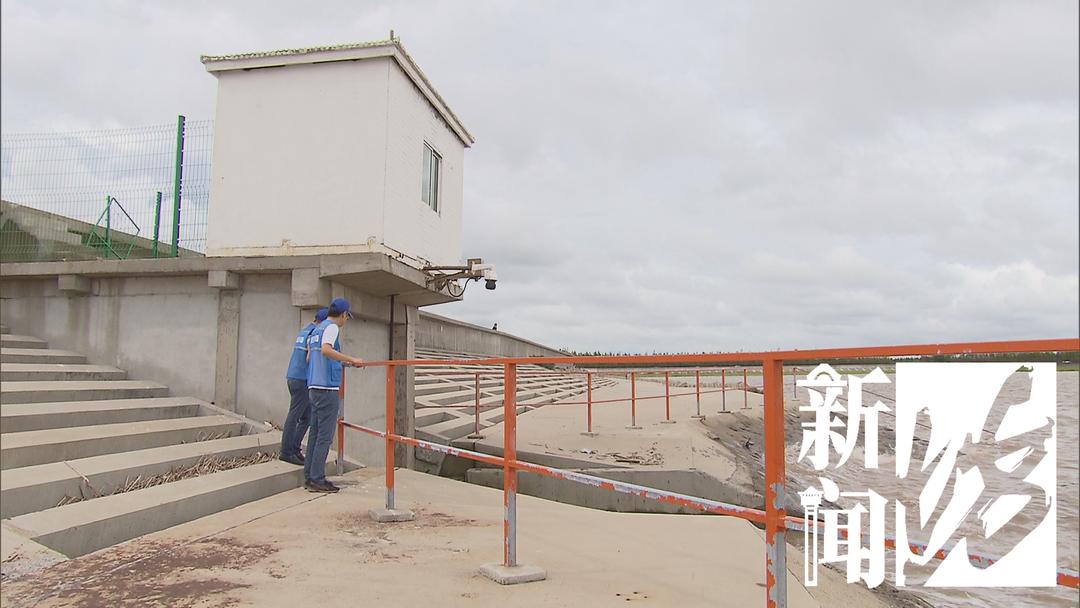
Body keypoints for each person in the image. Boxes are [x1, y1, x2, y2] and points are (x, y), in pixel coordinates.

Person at [304, 298, 363, 493]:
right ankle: (317, 478)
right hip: (326, 388)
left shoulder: (316, 330)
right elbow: (326, 350)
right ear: (344, 314)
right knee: (324, 436)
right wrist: (351, 359)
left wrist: (340, 363)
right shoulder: (331, 328)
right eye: (347, 317)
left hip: (313, 386)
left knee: (315, 433)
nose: (346, 320)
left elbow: (311, 356)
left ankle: (310, 476)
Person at [279, 307, 328, 465]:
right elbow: (309, 357)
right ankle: (286, 452)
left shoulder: (305, 330)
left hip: (294, 376)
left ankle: (294, 448)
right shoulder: (315, 333)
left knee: (306, 416)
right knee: (295, 416)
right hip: (302, 379)